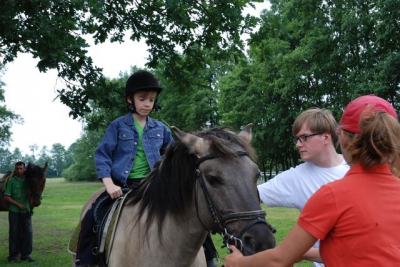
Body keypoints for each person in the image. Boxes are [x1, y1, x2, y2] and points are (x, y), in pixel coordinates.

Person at [225, 94, 400, 267]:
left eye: (304, 137)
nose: (298, 144)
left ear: (342, 138)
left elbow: (279, 260)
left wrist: (239, 263)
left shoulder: (332, 195)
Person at [75, 70, 217, 267]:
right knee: (94, 212)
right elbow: (102, 156)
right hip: (122, 186)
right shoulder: (117, 126)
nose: (147, 104)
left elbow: (173, 160)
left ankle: (209, 258)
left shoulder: (161, 129)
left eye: (151, 99)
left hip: (154, 185)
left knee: (193, 215)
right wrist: (108, 184)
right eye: (142, 99)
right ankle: (85, 260)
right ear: (130, 99)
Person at [257, 108, 349, 267]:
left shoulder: (355, 167)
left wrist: (296, 252)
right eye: (297, 139)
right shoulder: (295, 178)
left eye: (304, 137)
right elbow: (251, 195)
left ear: (326, 137)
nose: (298, 145)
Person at [4, 161, 35, 263]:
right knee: (14, 233)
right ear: (15, 169)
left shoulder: (28, 181)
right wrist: (18, 204)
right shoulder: (12, 181)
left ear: (24, 169)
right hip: (14, 211)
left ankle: (25, 254)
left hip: (26, 211)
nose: (19, 170)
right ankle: (13, 255)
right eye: (17, 169)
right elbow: (7, 197)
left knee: (28, 232)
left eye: (21, 168)